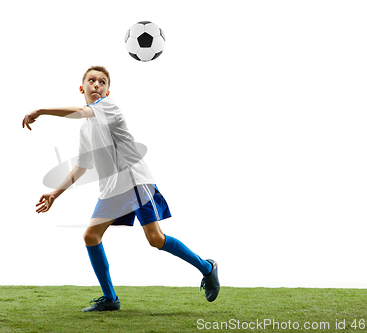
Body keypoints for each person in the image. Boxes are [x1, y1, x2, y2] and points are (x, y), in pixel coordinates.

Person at [22, 66, 219, 312]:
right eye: (91, 81)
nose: (96, 85)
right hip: (111, 190)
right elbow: (82, 167)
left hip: (134, 181)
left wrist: (41, 111)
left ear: (107, 90)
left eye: (102, 82)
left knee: (155, 239)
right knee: (91, 236)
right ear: (82, 88)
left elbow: (81, 111)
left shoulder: (108, 106)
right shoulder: (85, 128)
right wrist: (54, 194)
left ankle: (207, 268)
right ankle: (110, 299)